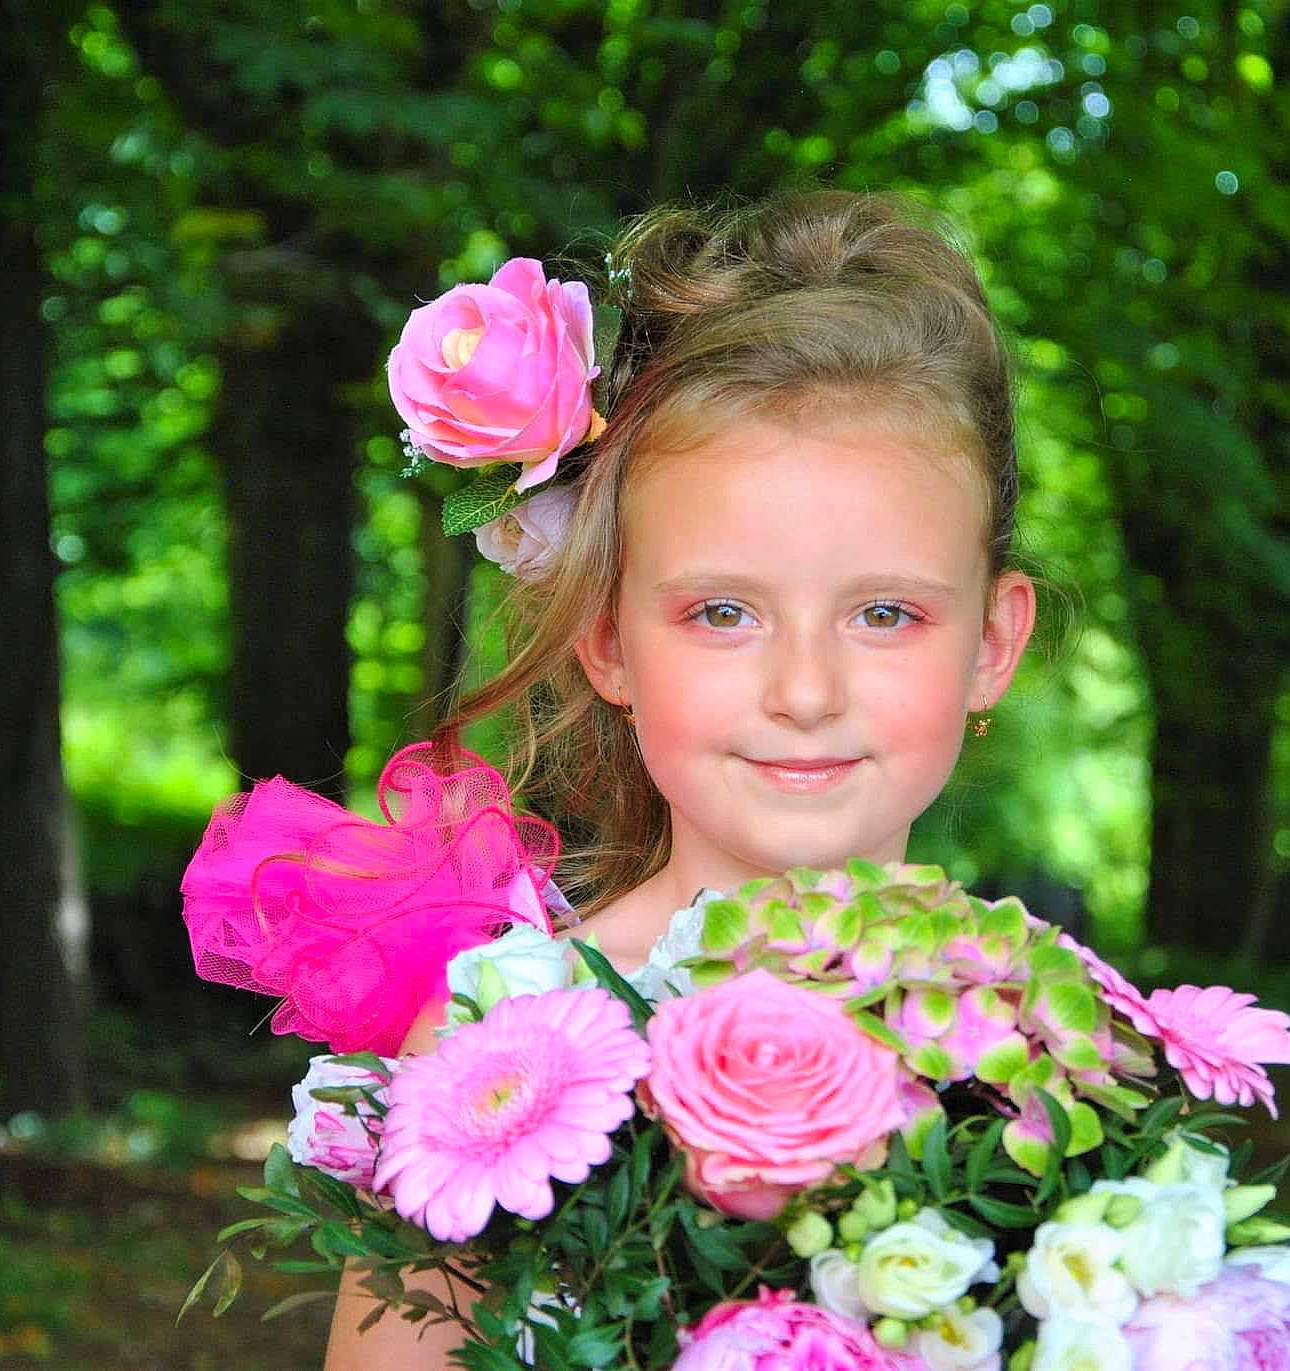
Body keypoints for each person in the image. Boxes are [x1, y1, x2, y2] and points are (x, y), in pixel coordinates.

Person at [321, 188, 1038, 1370]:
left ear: (990, 644)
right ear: (607, 642)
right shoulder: (492, 1050)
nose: (803, 690)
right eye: (720, 613)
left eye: (881, 613)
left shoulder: (1056, 1052)